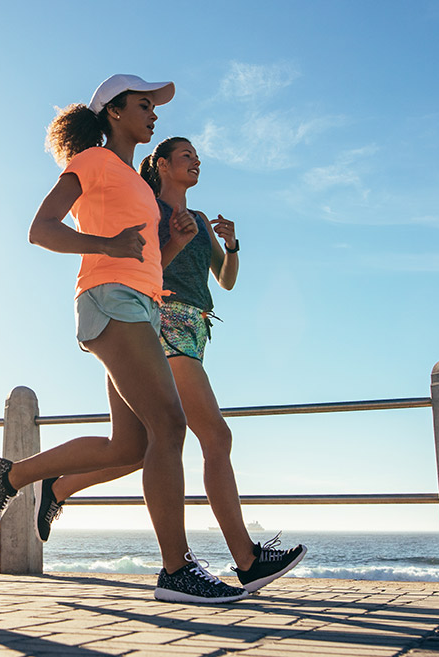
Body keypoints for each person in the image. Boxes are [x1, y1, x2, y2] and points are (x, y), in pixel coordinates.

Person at [0, 74, 250, 604]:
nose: (153, 114)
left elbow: (143, 258)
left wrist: (172, 245)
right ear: (115, 113)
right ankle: (176, 571)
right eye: (144, 105)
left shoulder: (136, 185)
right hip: (109, 299)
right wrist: (107, 242)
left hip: (143, 306)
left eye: (155, 107)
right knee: (170, 425)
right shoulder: (94, 162)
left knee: (132, 445)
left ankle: (13, 476)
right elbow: (42, 228)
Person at [33, 137, 309, 593]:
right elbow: (144, 261)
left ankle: (54, 487)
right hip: (160, 320)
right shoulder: (146, 203)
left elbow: (226, 279)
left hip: (195, 328)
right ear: (161, 165)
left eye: (197, 157)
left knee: (138, 446)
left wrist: (232, 244)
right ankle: (245, 558)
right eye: (186, 156)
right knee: (213, 435)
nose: (196, 161)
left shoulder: (199, 219)